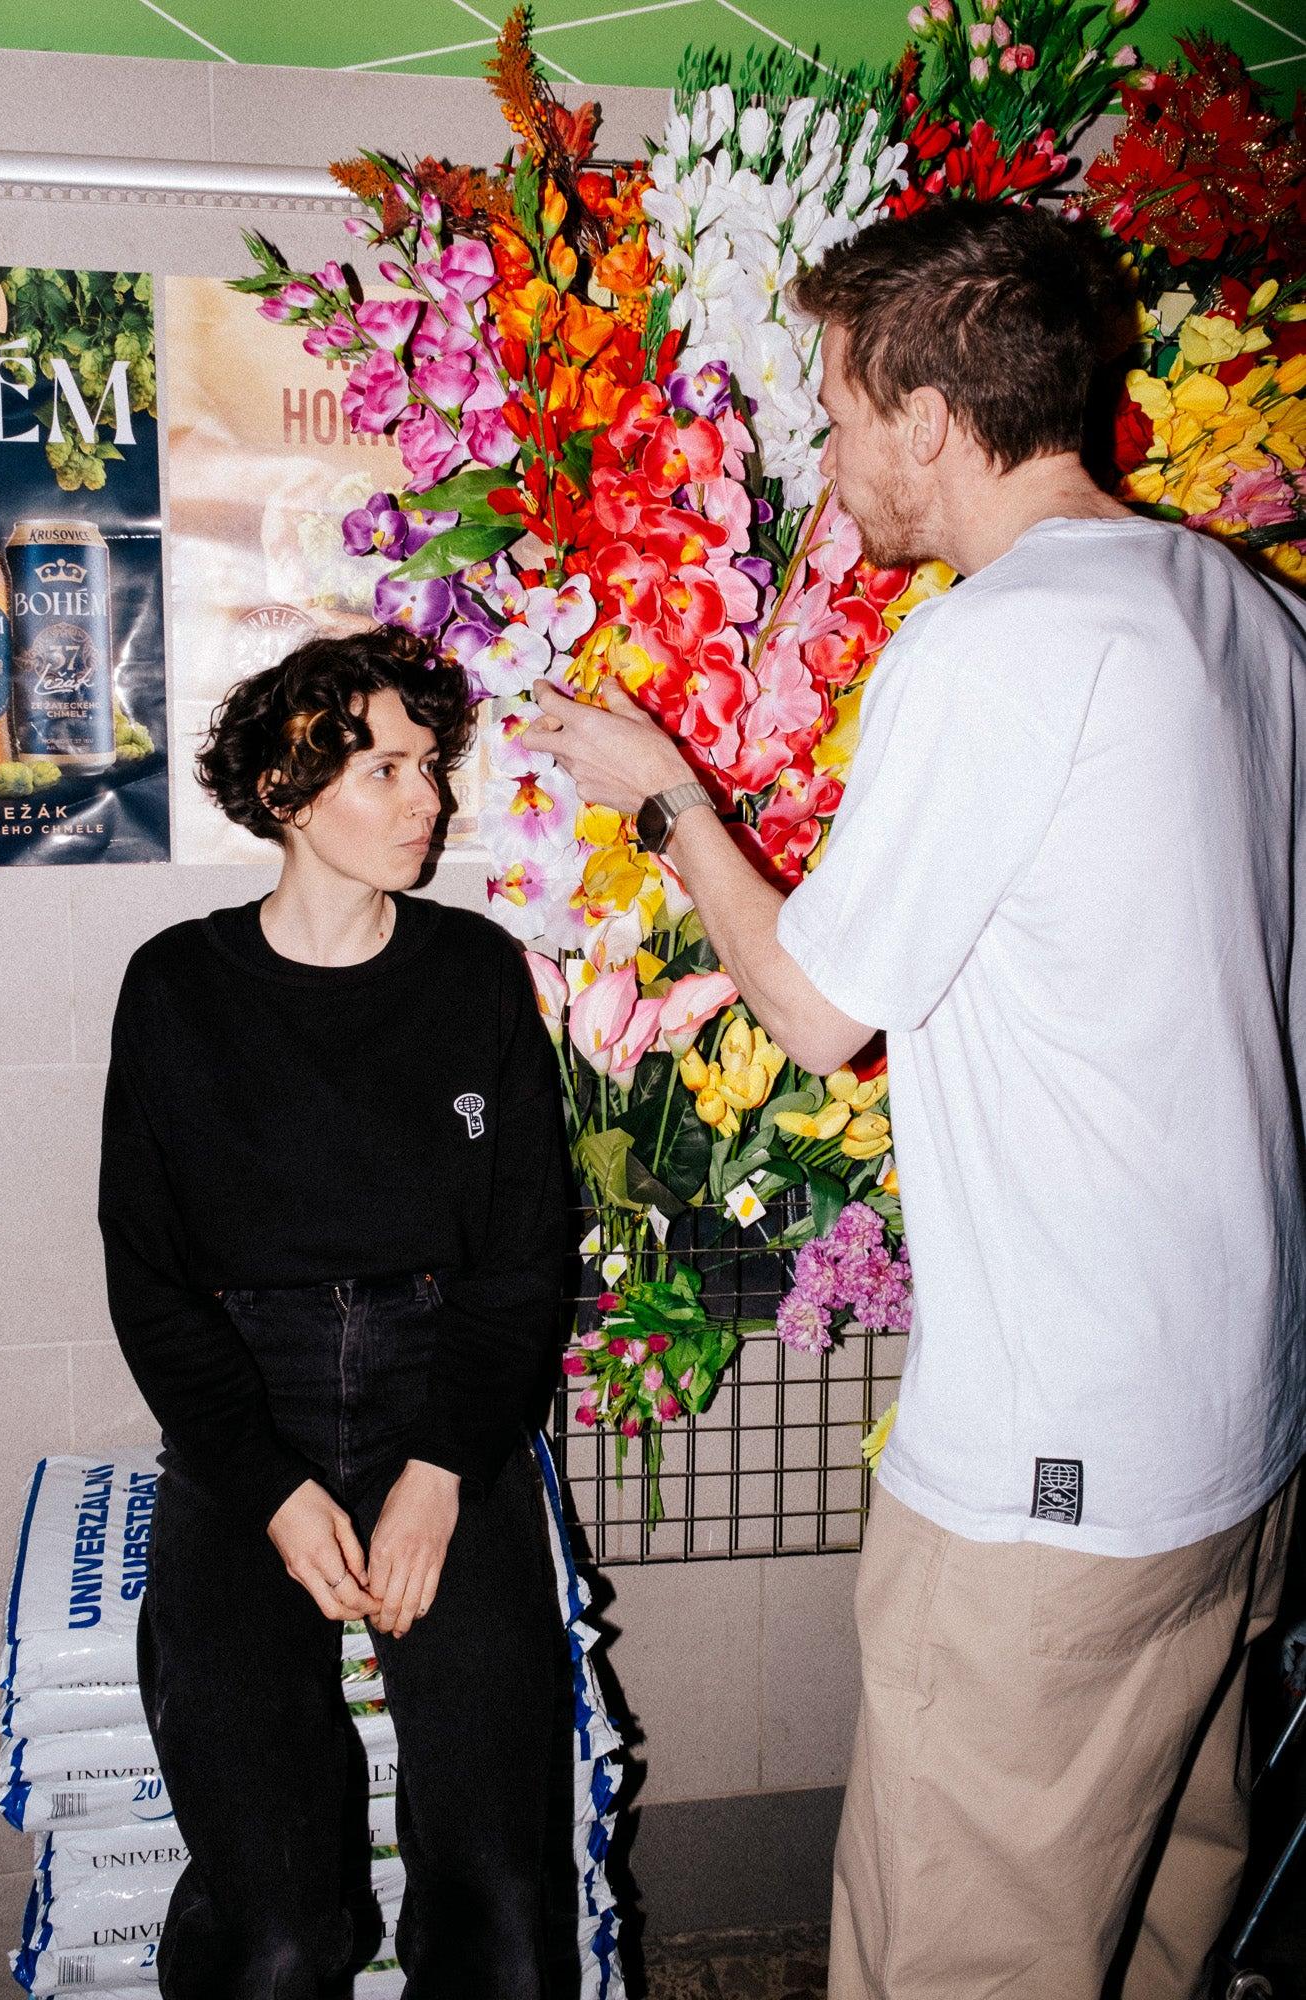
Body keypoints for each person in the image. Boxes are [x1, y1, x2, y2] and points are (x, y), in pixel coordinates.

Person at [524, 201, 1306, 2000]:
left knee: (965, 1947)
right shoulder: (1244, 610)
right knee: (1158, 1914)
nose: (830, 450)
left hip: (1061, 1467)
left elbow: (808, 1010)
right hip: (1237, 1428)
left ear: (930, 419)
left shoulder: (995, 644)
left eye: (836, 408)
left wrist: (673, 797)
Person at [98, 626, 571, 1999]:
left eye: (429, 767)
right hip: (251, 1412)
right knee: (279, 1923)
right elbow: (149, 1276)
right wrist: (269, 1489)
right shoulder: (178, 988)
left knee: (501, 1902)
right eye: (384, 770)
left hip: (447, 1408)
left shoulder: (474, 973)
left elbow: (519, 1262)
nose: (427, 800)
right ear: (287, 794)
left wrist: (438, 1474)